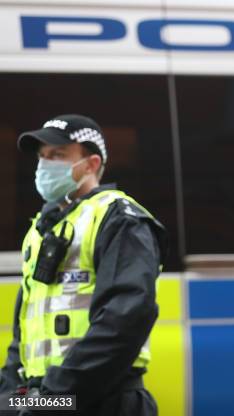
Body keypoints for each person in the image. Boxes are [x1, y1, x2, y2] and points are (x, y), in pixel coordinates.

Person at [0, 114, 166, 415]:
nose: (44, 165)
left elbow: (124, 320)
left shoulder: (120, 219)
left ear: (90, 164)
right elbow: (25, 333)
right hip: (50, 399)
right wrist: (11, 400)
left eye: (58, 155)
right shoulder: (41, 228)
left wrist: (52, 398)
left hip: (102, 399)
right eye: (42, 157)